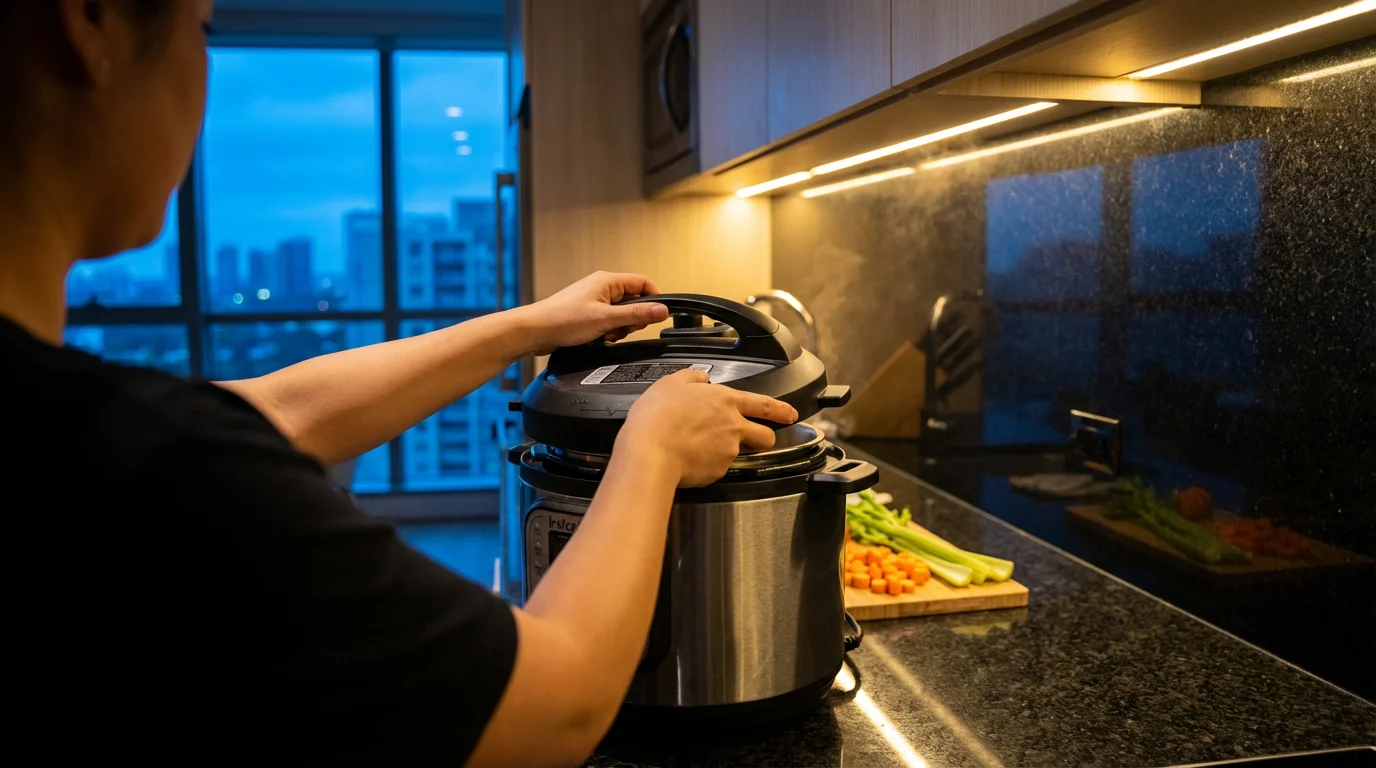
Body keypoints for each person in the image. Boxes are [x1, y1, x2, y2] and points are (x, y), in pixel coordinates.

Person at [0, 0, 799, 763]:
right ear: (90, 17)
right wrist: (652, 446)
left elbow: (280, 410)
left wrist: (531, 325)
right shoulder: (136, 478)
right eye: (202, 29)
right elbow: (553, 709)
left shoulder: (76, 434)